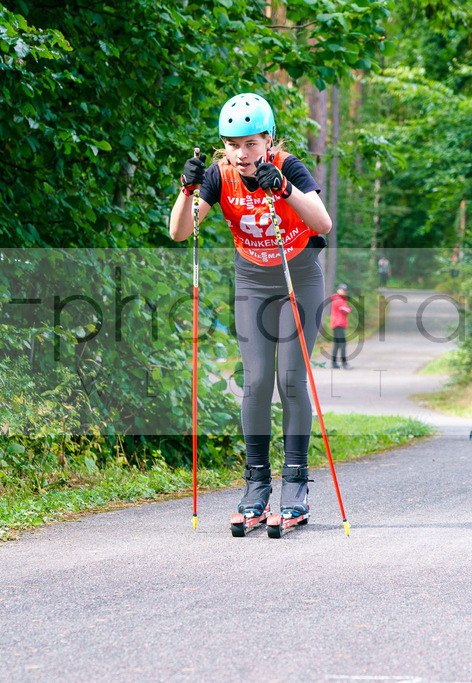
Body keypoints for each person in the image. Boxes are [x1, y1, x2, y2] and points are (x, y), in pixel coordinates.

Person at [169, 92, 333, 521]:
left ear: (269, 141)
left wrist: (285, 189)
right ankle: (256, 483)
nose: (240, 154)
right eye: (232, 143)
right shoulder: (219, 176)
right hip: (253, 281)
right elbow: (179, 233)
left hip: (299, 278)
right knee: (257, 381)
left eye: (250, 144)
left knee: (291, 380)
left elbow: (323, 223)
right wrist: (187, 192)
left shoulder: (287, 167)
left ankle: (295, 485)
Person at [330, 283, 351, 369]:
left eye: (345, 290)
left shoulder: (339, 299)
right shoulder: (338, 299)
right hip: (338, 324)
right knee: (342, 344)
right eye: (342, 290)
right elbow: (346, 310)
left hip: (337, 324)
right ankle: (344, 363)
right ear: (338, 290)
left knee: (337, 344)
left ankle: (334, 363)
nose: (344, 291)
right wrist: (349, 309)